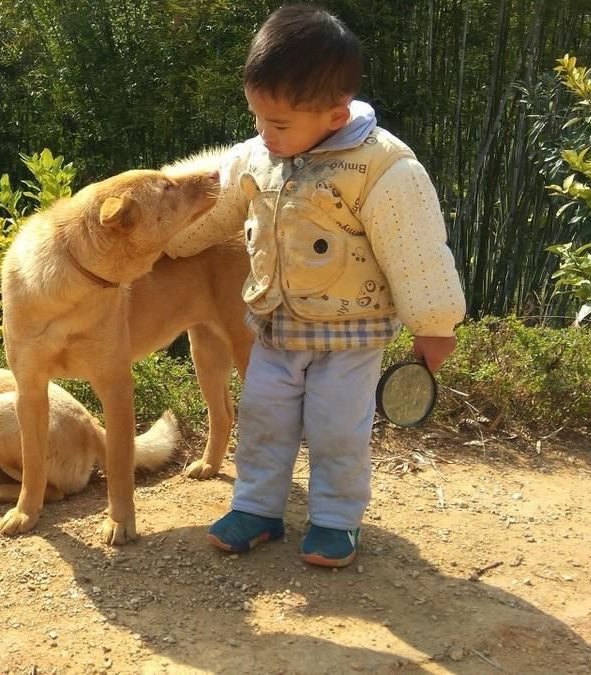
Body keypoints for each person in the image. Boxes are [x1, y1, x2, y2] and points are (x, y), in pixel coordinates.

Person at [205, 4, 466, 567]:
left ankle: (335, 519)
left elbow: (417, 251)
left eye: (278, 124)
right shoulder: (255, 157)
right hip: (274, 328)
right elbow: (214, 212)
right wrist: (155, 244)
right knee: (262, 420)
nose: (264, 134)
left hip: (352, 336)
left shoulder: (383, 166)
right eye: (257, 118)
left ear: (334, 115)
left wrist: (435, 324)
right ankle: (256, 508)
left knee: (336, 432)